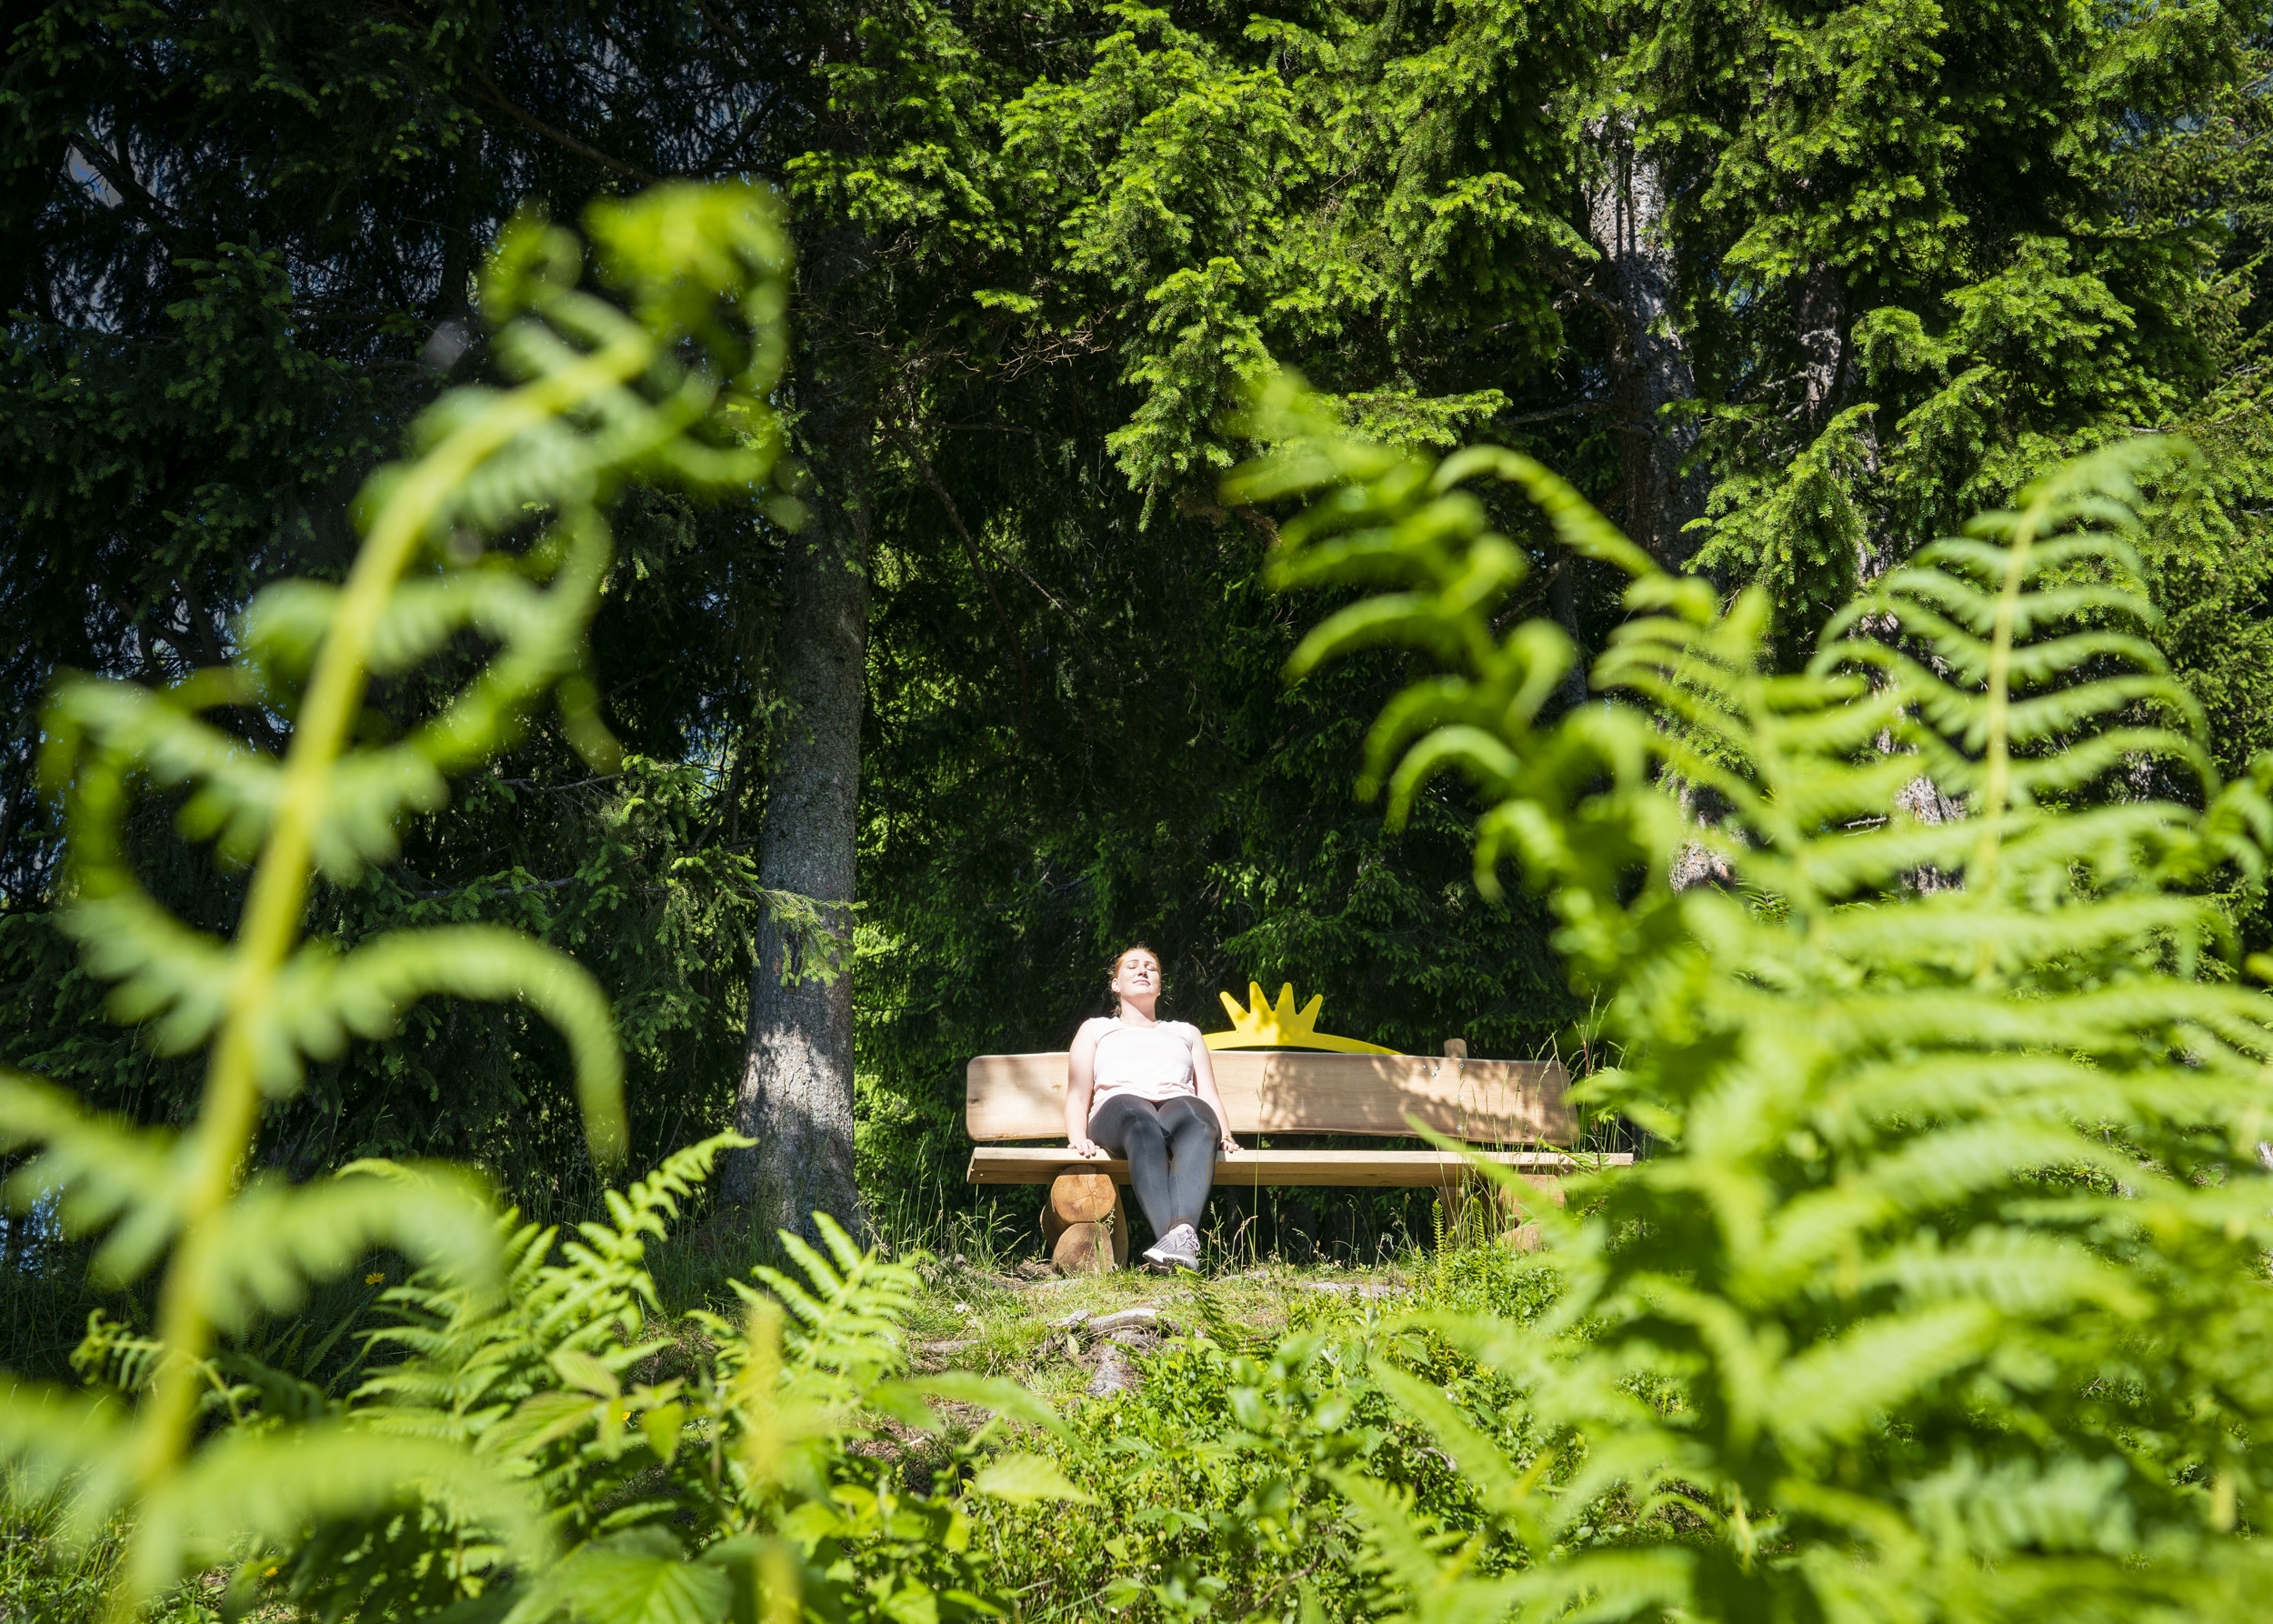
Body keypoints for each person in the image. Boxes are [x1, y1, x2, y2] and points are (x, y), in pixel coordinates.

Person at [1066, 944, 1242, 1271]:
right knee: (1140, 1120)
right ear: (1116, 984)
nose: (1142, 970)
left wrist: (1225, 1134)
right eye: (1132, 966)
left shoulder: (1186, 1033)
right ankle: (1177, 1240)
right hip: (1118, 1112)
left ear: (1159, 986)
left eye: (1150, 967)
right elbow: (1077, 1092)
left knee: (1200, 1119)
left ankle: (1178, 1241)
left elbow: (1208, 1094)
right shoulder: (1096, 1029)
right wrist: (1077, 1137)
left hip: (1175, 1108)